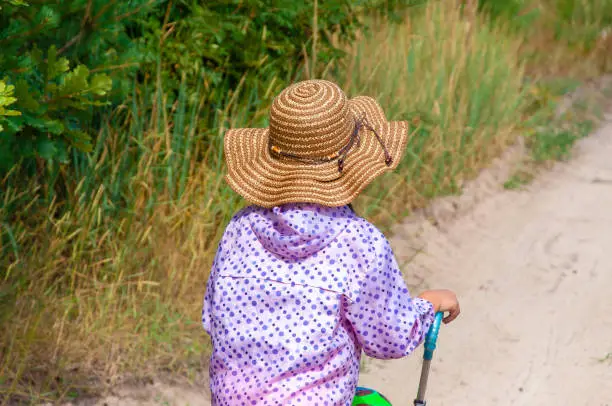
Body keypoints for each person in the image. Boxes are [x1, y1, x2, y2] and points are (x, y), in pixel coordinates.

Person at [201, 79, 460, 405]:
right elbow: (390, 339)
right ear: (353, 163)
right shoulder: (358, 242)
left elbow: (213, 319)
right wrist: (427, 305)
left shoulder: (239, 230)